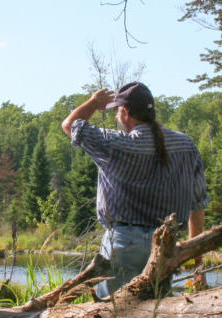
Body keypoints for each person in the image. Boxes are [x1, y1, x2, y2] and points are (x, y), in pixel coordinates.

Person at [61, 81, 209, 298]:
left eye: (117, 112)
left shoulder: (116, 144)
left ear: (126, 113)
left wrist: (94, 103)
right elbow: (198, 204)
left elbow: (70, 125)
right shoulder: (185, 145)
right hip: (166, 246)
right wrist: (196, 259)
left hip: (123, 244)